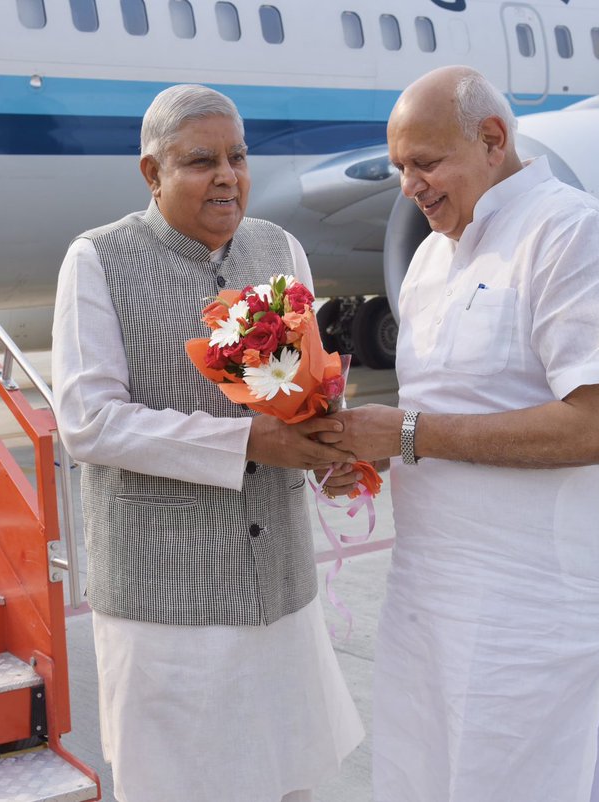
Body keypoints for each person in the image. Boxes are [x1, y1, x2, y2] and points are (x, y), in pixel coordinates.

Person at [319, 66, 599, 801]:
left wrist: (403, 435)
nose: (410, 186)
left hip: (549, 616)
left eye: (426, 163)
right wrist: (368, 457)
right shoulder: (433, 256)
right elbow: (445, 411)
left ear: (493, 139)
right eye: (399, 167)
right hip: (439, 603)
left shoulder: (570, 234)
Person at [51, 84, 364, 802]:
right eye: (201, 161)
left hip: (278, 592)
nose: (227, 175)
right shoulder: (98, 260)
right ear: (151, 173)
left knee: (290, 783)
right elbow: (89, 419)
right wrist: (248, 444)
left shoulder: (278, 248)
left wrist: (330, 457)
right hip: (168, 601)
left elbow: (308, 392)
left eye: (238, 156)